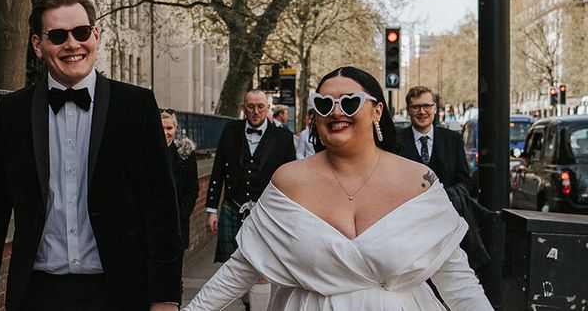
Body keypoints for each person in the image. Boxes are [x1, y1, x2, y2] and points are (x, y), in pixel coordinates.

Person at [185, 67, 493, 310]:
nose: (336, 111)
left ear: (376, 111)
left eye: (349, 102)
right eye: (323, 104)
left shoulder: (419, 181)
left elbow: (457, 280)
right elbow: (241, 268)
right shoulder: (288, 181)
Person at [0, 0, 182, 311]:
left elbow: (161, 208)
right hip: (36, 295)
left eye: (81, 32)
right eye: (58, 35)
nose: (72, 44)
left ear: (95, 36)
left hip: (120, 294)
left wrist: (164, 298)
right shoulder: (12, 112)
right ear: (38, 45)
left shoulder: (136, 107)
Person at [205, 89, 295, 310]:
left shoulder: (282, 136)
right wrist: (211, 209)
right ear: (243, 108)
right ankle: (248, 306)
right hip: (232, 206)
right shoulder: (230, 130)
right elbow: (218, 170)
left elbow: (292, 177)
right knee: (235, 267)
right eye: (251, 106)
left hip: (266, 213)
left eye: (260, 107)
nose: (256, 112)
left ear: (268, 108)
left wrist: (289, 215)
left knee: (261, 269)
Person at [399, 86, 491, 272]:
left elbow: (465, 181)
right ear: (408, 110)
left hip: (447, 224)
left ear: (434, 108)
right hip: (409, 227)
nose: (422, 111)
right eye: (416, 107)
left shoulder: (453, 139)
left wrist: (448, 196)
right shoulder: (396, 141)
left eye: (426, 106)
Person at [161, 108, 199, 250]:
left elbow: (192, 188)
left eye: (169, 128)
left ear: (176, 128)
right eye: (161, 128)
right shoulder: (145, 154)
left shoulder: (186, 155)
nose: (165, 133)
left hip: (177, 225)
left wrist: (181, 214)